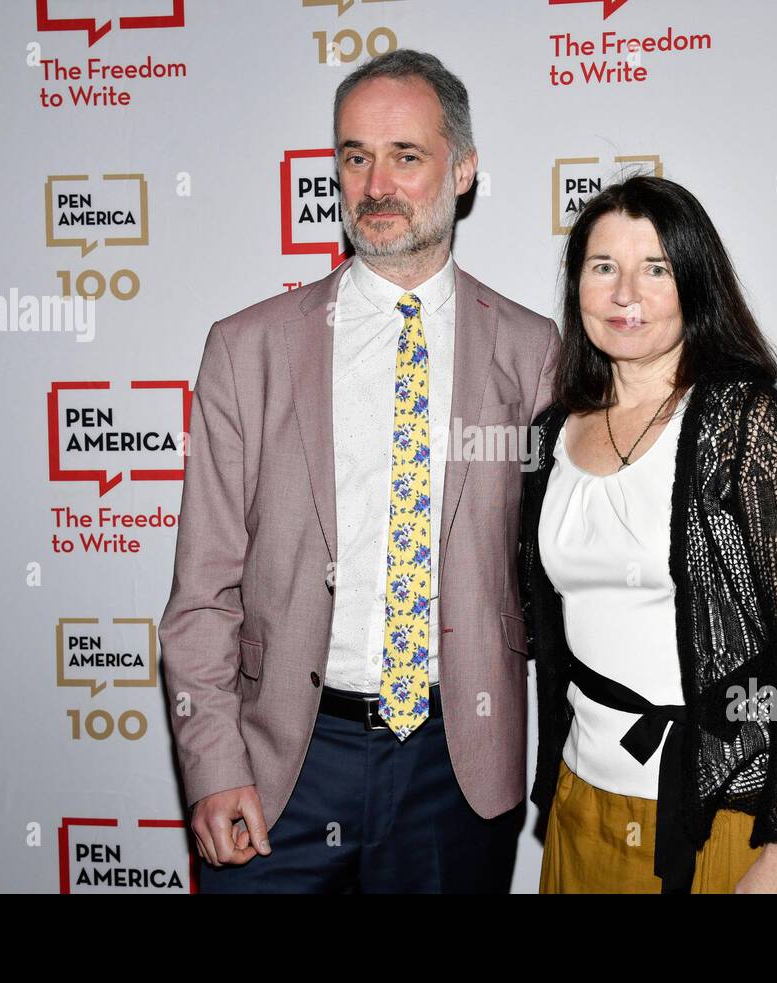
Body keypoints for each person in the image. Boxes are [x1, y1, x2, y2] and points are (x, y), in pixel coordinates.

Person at [159, 49, 559, 892]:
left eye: (405, 156)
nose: (375, 183)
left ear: (464, 169)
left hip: (460, 766)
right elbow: (202, 591)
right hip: (282, 768)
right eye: (354, 156)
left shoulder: (531, 351)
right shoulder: (248, 349)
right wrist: (212, 763)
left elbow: (560, 574)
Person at [519, 174, 777, 893]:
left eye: (656, 269)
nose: (625, 294)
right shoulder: (548, 435)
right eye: (602, 267)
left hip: (731, 808)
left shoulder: (743, 422)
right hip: (585, 799)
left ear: (695, 284)